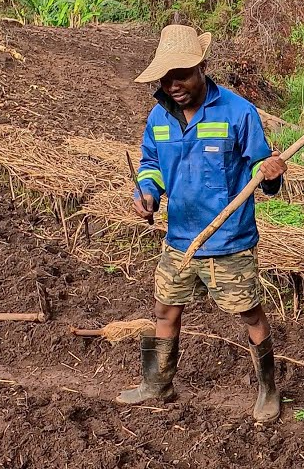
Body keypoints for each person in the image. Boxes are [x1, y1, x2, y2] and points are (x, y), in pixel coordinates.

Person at [117, 24, 288, 423]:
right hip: (179, 239)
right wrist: (147, 193)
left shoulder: (238, 112)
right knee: (165, 310)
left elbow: (264, 172)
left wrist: (273, 171)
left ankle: (268, 389)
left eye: (182, 75)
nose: (173, 85)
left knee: (249, 314)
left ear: (203, 67)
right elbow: (151, 165)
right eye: (166, 77)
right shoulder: (158, 118)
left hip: (228, 241)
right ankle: (159, 383)